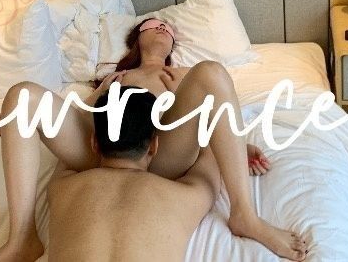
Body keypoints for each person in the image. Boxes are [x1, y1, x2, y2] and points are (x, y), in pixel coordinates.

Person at [0, 18, 308, 262]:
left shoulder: (184, 77)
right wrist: (22, 121)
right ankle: (21, 239)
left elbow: (216, 113)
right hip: (106, 144)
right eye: (153, 25)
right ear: (137, 37)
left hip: (163, 148)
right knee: (21, 96)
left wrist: (232, 145)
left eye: (167, 27)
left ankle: (245, 215)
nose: (161, 27)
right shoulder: (113, 78)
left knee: (213, 72)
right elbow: (84, 116)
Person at [47, 87, 220, 262]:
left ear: (94, 142)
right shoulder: (183, 196)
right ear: (154, 146)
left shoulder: (61, 188)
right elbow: (209, 157)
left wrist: (94, 97)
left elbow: (67, 147)